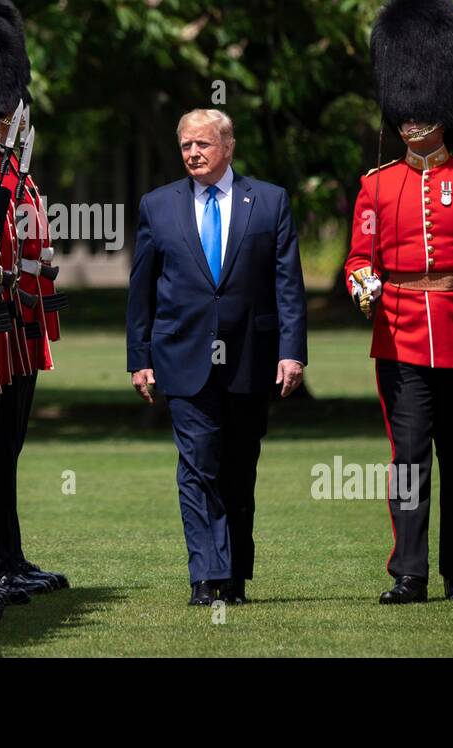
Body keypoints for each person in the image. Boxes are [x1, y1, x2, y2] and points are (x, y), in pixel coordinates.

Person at [343, 0, 453, 605]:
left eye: (423, 110)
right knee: (408, 457)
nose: (413, 121)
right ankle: (409, 572)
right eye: (405, 112)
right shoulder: (376, 186)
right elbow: (359, 256)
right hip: (399, 336)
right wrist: (360, 281)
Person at [126, 108, 307, 606]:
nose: (193, 153)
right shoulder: (157, 206)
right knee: (197, 466)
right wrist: (139, 357)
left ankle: (235, 577)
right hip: (181, 357)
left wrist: (291, 353)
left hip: (251, 357)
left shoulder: (269, 201)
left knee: (238, 469)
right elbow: (140, 289)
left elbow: (287, 285)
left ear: (228, 147)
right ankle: (206, 577)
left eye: (203, 144)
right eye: (185, 145)